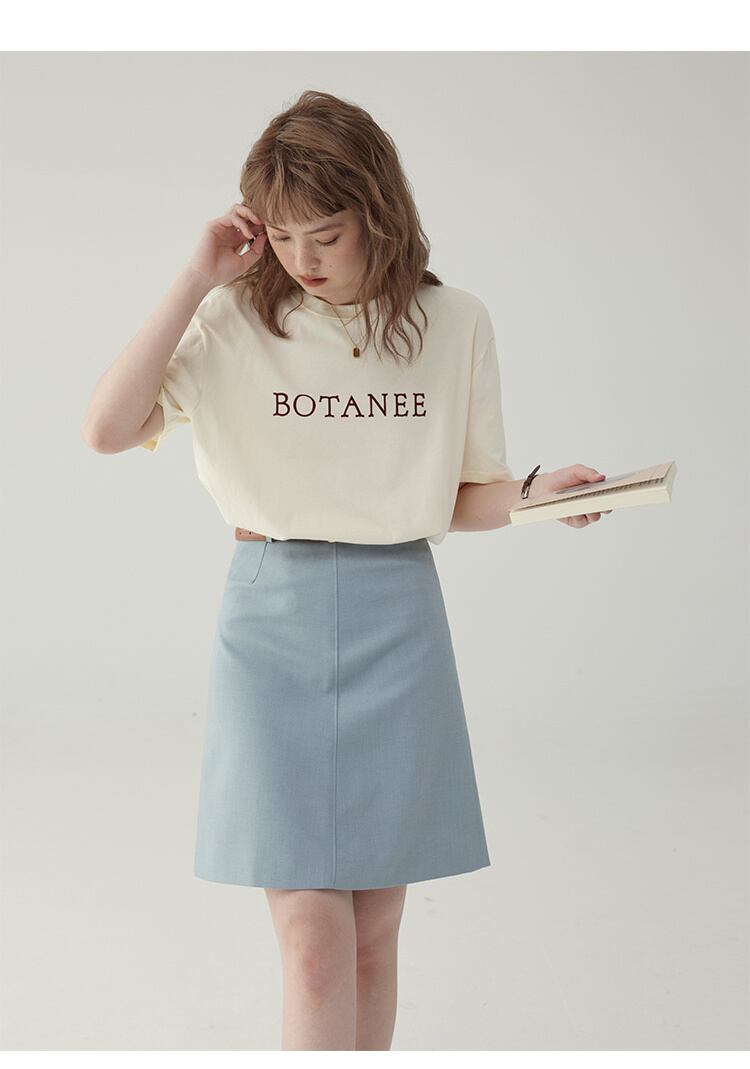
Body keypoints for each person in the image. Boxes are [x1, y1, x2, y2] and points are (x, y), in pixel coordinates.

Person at [80, 89, 611, 1051]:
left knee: (370, 939)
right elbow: (107, 429)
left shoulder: (454, 323)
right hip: (270, 620)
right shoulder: (234, 322)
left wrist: (540, 493)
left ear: (379, 212)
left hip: (398, 615)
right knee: (314, 941)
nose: (302, 259)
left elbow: (460, 494)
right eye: (282, 236)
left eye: (325, 234)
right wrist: (196, 278)